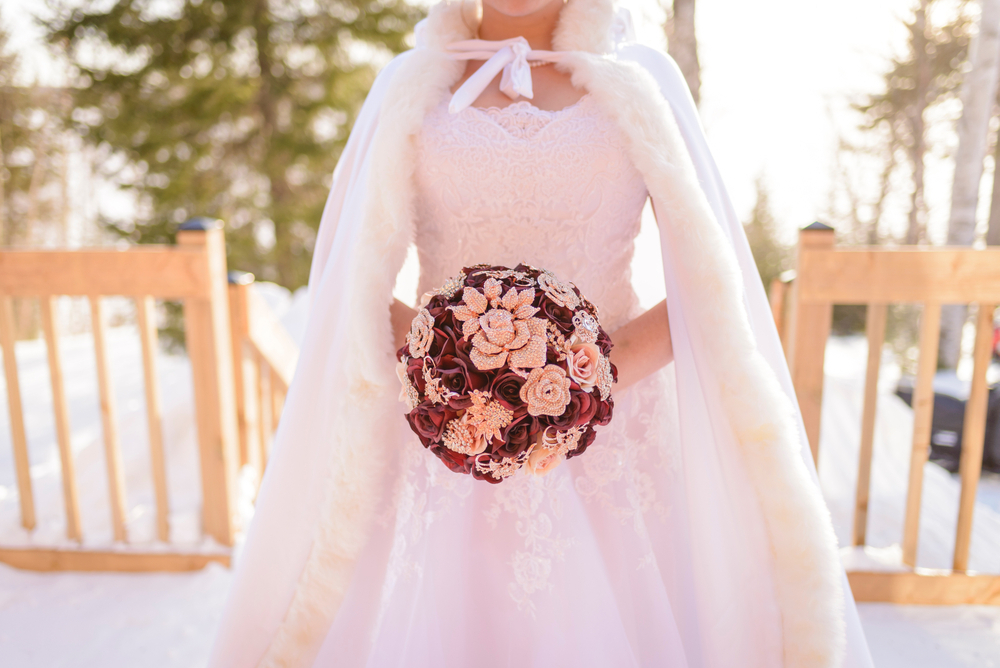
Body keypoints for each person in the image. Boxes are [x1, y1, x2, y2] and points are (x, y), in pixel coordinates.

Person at [208, 0, 875, 666]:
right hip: (449, 443)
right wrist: (452, 366)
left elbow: (713, 284)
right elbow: (344, 280)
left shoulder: (640, 79)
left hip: (616, 444)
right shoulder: (409, 84)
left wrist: (583, 376)